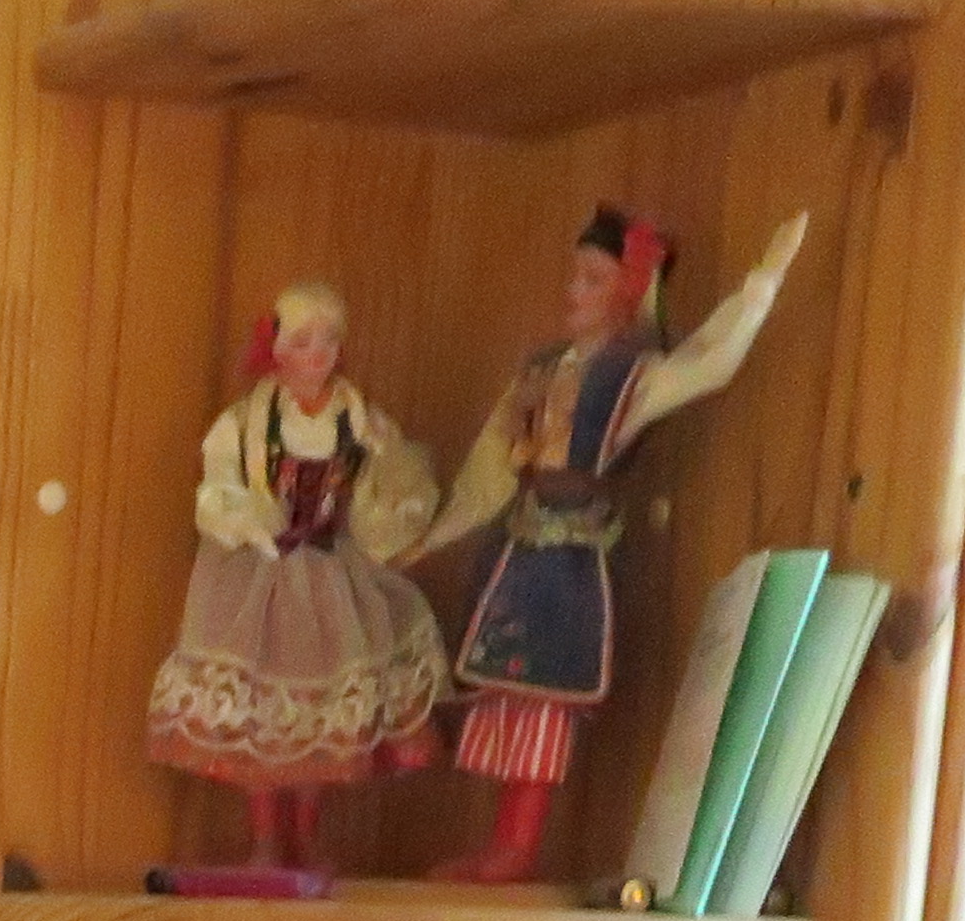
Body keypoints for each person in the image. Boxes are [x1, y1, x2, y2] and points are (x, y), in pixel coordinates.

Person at [417, 202, 808, 886]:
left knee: (543, 699)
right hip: (519, 546)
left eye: (592, 280)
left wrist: (759, 287)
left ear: (628, 290)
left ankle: (518, 845)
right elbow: (490, 462)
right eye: (574, 277)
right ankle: (500, 840)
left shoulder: (631, 374)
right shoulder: (543, 367)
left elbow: (707, 361)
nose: (574, 292)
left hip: (570, 558)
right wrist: (437, 529)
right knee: (505, 689)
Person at [142, 279, 443, 872]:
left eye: (329, 340)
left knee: (321, 710)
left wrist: (390, 518)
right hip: (261, 574)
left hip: (331, 574)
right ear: (276, 349)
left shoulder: (360, 420)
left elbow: (392, 480)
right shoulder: (246, 423)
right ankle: (264, 838)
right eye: (304, 341)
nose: (318, 354)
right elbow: (219, 486)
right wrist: (246, 521)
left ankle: (305, 836)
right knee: (259, 713)